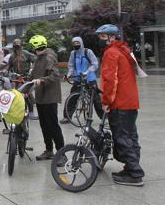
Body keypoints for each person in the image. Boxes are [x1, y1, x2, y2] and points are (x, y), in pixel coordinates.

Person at [96, 24, 144, 186]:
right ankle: (130, 168)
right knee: (131, 136)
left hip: (119, 103)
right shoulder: (124, 51)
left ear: (112, 37)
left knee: (123, 138)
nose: (100, 40)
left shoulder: (111, 53)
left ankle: (135, 174)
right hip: (130, 102)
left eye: (103, 36)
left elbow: (110, 81)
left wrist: (106, 101)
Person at [28, 35, 64, 161]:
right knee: (44, 125)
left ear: (36, 46)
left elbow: (55, 75)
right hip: (41, 97)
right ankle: (49, 150)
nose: (31, 49)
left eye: (32, 46)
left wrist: (41, 80)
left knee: (53, 126)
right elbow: (34, 73)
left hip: (50, 97)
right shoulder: (39, 58)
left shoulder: (49, 57)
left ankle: (61, 154)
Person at [60, 37, 103, 124]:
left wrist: (87, 72)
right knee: (72, 97)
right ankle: (67, 117)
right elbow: (71, 66)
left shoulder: (88, 52)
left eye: (77, 43)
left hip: (89, 78)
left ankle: (103, 117)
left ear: (81, 43)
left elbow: (95, 64)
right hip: (78, 78)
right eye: (74, 44)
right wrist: (68, 75)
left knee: (95, 99)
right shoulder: (73, 53)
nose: (76, 45)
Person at [6, 38, 38, 120]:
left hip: (26, 77)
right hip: (16, 78)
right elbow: (9, 66)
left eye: (18, 46)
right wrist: (6, 71)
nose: (17, 48)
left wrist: (32, 69)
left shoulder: (26, 53)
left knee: (27, 94)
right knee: (16, 95)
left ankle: (31, 112)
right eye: (16, 46)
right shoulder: (12, 56)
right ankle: (19, 112)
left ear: (21, 46)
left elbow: (35, 60)